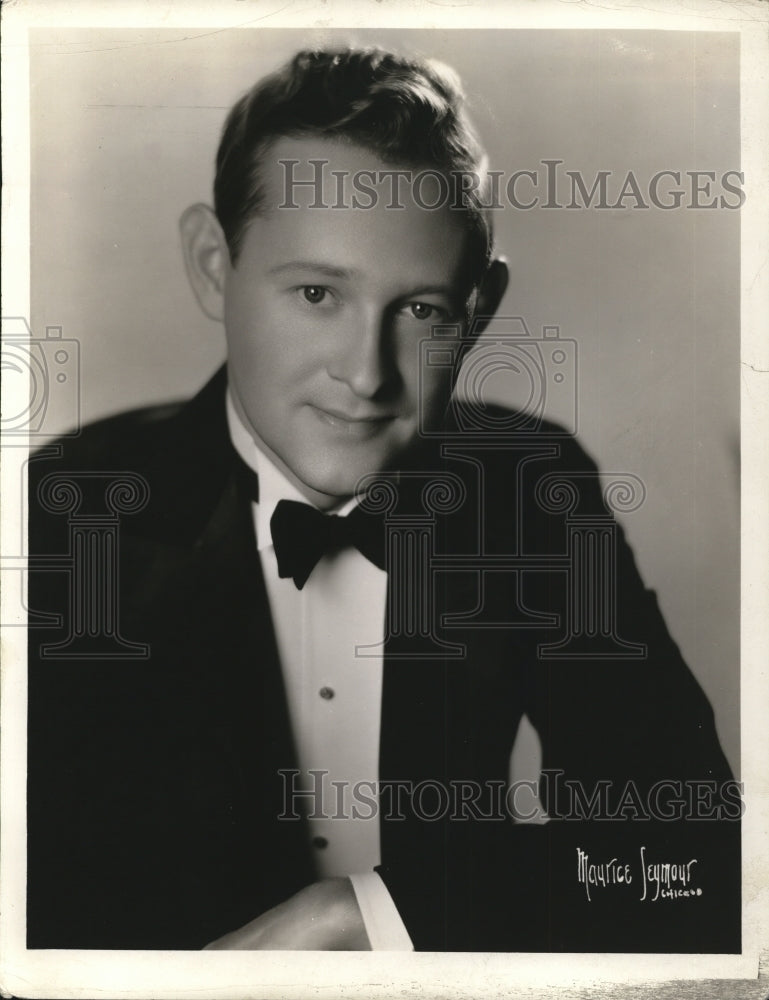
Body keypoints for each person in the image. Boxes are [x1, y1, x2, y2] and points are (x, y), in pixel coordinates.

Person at [26, 46, 740, 953]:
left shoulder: (527, 488)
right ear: (214, 264)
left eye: (422, 311)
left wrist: (370, 915)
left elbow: (691, 859)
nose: (365, 375)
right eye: (317, 292)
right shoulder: (68, 511)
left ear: (479, 310)